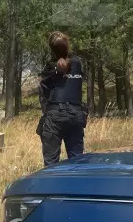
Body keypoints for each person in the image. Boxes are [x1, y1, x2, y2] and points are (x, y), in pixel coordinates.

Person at [36, 31, 87, 167]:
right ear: (67, 46)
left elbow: (42, 91)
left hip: (54, 117)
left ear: (51, 49)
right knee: (77, 161)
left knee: (51, 163)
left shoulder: (49, 67)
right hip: (76, 115)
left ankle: (52, 187)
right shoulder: (77, 64)